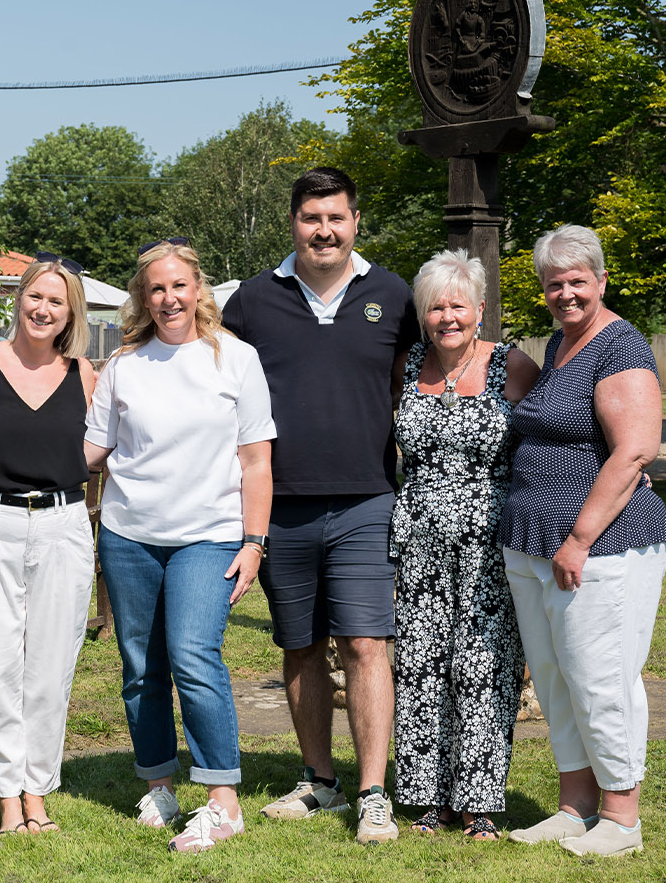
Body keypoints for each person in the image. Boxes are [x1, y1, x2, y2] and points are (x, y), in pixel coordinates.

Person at [220, 167, 419, 844]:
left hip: (367, 498)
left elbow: (426, 379)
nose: (325, 230)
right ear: (294, 223)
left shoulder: (392, 295)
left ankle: (372, 792)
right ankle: (319, 782)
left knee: (366, 642)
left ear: (355, 221)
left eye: (336, 217)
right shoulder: (250, 301)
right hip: (281, 507)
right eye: (312, 218)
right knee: (300, 647)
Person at [83, 239, 275, 853]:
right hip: (128, 535)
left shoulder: (237, 360)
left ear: (198, 291)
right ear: (143, 297)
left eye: (178, 286)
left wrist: (254, 542)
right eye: (156, 288)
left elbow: (256, 462)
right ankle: (159, 785)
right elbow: (92, 453)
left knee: (193, 657)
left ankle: (222, 801)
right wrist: (11, 450)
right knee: (141, 669)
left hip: (210, 537)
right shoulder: (123, 365)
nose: (168, 298)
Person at [499, 224, 666, 857]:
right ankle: (575, 806)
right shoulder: (561, 343)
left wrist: (578, 537)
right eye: (555, 284)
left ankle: (621, 818)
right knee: (554, 680)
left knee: (602, 679)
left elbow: (634, 451)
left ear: (601, 280)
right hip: (534, 543)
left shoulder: (618, 346)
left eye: (578, 281)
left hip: (601, 547)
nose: (566, 294)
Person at [0, 254, 97, 835]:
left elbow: (109, 439)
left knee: (51, 669)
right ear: (20, 299)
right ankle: (7, 795)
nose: (43, 309)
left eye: (57, 302)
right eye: (36, 296)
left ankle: (38, 791)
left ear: (69, 313)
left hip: (63, 528)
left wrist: (66, 465)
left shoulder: (84, 375)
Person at [388, 249, 539, 841]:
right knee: (422, 663)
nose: (447, 316)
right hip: (418, 535)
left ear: (480, 308)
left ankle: (479, 801)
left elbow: (559, 427)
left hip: (490, 538)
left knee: (484, 663)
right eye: (435, 306)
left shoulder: (513, 366)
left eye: (457, 304)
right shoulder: (405, 367)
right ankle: (429, 798)